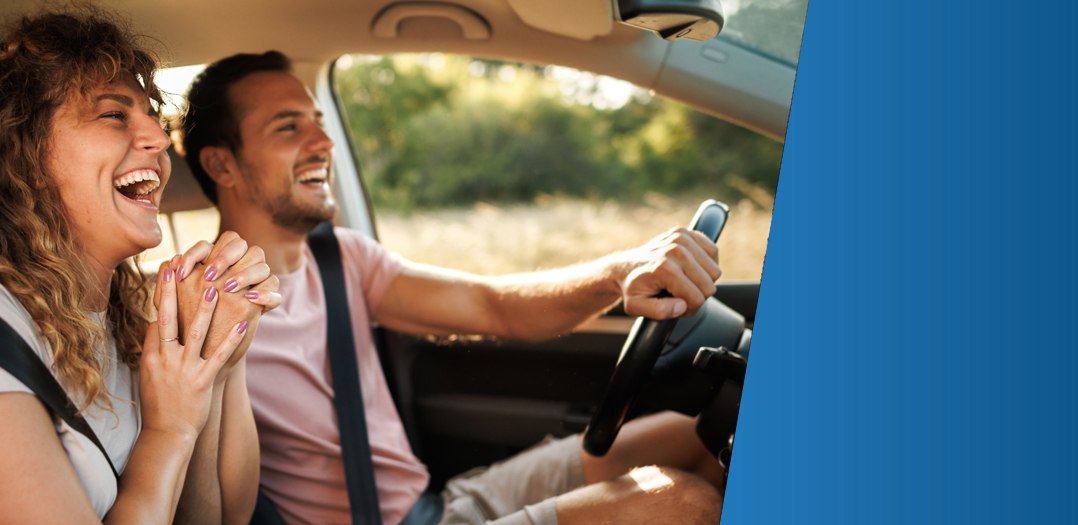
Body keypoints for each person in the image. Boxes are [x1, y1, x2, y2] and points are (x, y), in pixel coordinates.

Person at [174, 51, 726, 525]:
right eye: (288, 127)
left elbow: (494, 307)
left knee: (704, 434)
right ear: (222, 165)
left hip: (442, 504)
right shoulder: (198, 309)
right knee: (682, 504)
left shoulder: (343, 258)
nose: (323, 141)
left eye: (318, 121)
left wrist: (618, 272)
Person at [0, 10, 281, 524]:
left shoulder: (112, 320)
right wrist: (168, 431)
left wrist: (215, 350)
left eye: (153, 116)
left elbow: (224, 517)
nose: (161, 138)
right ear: (24, 155)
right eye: (114, 115)